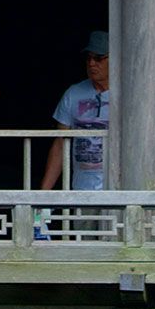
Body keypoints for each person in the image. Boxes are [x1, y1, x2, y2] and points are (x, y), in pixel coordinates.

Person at [38, 32, 112, 191]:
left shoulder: (130, 97)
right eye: (88, 58)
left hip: (120, 191)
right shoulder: (73, 94)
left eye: (98, 58)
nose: (92, 63)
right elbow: (60, 144)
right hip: (82, 190)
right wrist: (43, 194)